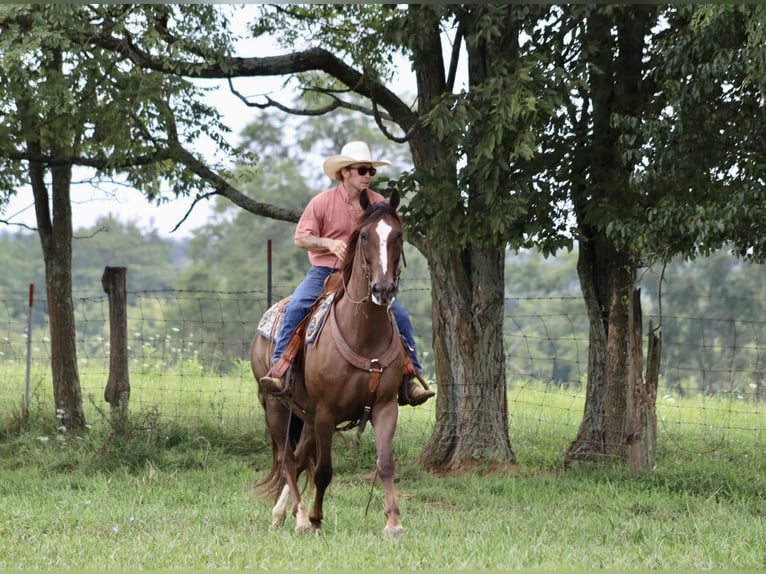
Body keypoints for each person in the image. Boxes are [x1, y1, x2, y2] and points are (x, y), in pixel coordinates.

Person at [259, 141, 435, 406]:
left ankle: (410, 378)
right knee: (298, 306)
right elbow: (301, 238)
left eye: (370, 171)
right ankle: (279, 369)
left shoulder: (377, 204)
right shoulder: (322, 202)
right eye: (362, 170)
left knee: (399, 314)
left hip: (363, 276)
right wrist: (328, 243)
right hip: (324, 271)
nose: (368, 176)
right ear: (345, 172)